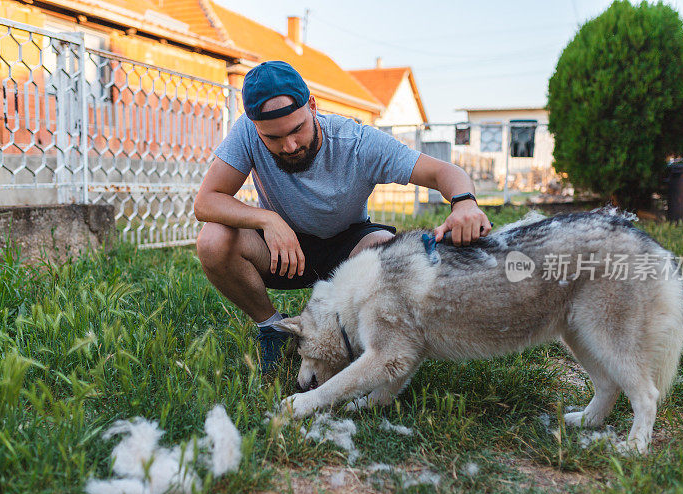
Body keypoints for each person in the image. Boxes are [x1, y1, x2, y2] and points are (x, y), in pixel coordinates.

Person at [194, 61, 491, 374]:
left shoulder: (357, 143)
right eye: (274, 138)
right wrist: (268, 220)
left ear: (312, 106)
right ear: (256, 128)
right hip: (285, 249)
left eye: (297, 130)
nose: (290, 145)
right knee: (213, 239)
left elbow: (443, 172)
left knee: (386, 251)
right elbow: (206, 201)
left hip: (347, 246)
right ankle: (272, 328)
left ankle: (367, 344)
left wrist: (465, 204)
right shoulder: (247, 132)